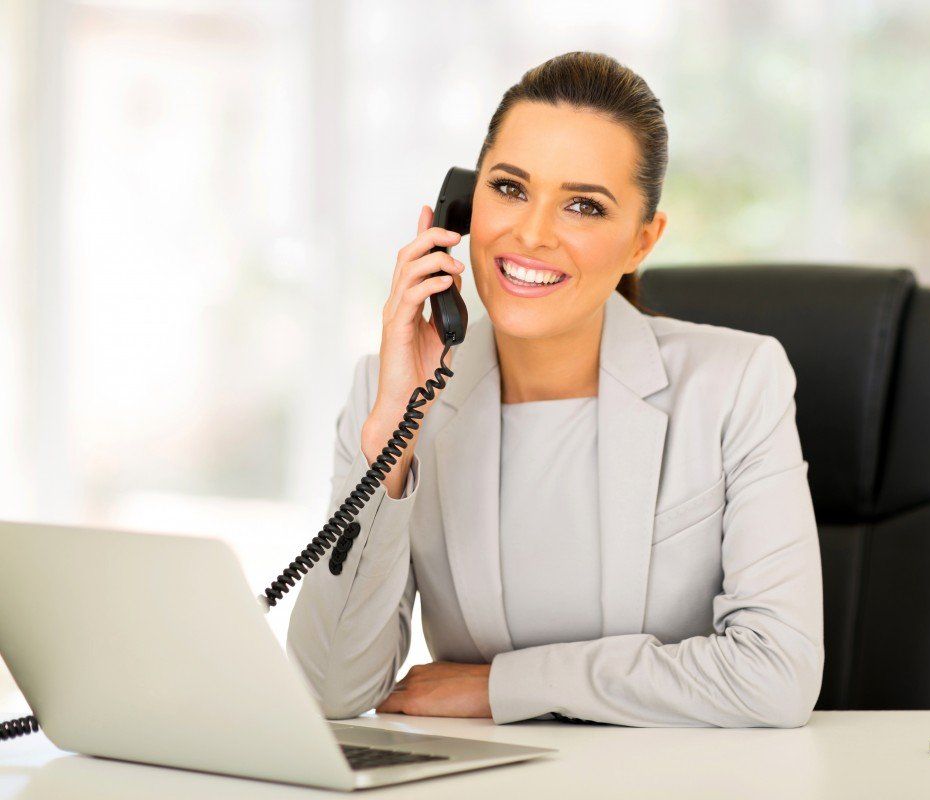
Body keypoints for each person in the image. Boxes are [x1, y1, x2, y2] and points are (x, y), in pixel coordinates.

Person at [287, 51, 823, 728]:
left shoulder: (737, 384)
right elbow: (330, 690)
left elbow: (774, 676)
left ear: (640, 242)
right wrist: (391, 438)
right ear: (462, 204)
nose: (532, 234)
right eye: (509, 189)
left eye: (583, 205)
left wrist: (500, 688)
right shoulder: (390, 391)